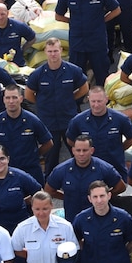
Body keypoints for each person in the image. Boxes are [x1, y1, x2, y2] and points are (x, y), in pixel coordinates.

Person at [24, 37, 89, 169]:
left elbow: (84, 88)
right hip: (48, 121)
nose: (53, 54)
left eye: (55, 51)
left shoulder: (72, 70)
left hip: (69, 118)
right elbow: (28, 94)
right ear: (45, 52)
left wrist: (72, 98)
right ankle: (50, 185)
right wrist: (42, 103)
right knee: (51, 158)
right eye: (50, 51)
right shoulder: (38, 74)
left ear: (61, 50)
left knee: (77, 153)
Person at [55, 0, 121, 85]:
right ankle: (78, 100)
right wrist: (72, 22)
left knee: (102, 76)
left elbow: (116, 10)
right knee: (76, 76)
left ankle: (103, 100)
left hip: (97, 42)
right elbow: (58, 16)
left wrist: (102, 20)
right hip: (77, 42)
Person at [0, 85, 53, 183]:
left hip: (31, 171)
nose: (11, 101)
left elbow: (48, 143)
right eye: (8, 98)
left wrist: (34, 155)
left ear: (21, 99)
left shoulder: (32, 120)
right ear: (3, 100)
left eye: (14, 97)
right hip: (7, 172)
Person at [45, 136, 125, 222]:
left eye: (85, 150)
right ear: (73, 151)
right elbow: (49, 190)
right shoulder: (61, 170)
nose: (81, 154)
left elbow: (121, 187)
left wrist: (102, 197)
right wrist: (68, 197)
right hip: (73, 217)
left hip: (98, 218)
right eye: (78, 150)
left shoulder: (103, 168)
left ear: (92, 151)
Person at [66, 86, 132, 175]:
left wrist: (118, 149)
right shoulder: (78, 121)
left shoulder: (120, 119)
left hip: (115, 167)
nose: (96, 105)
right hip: (89, 169)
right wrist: (84, 151)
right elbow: (70, 140)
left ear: (106, 99)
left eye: (99, 101)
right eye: (93, 101)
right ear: (88, 99)